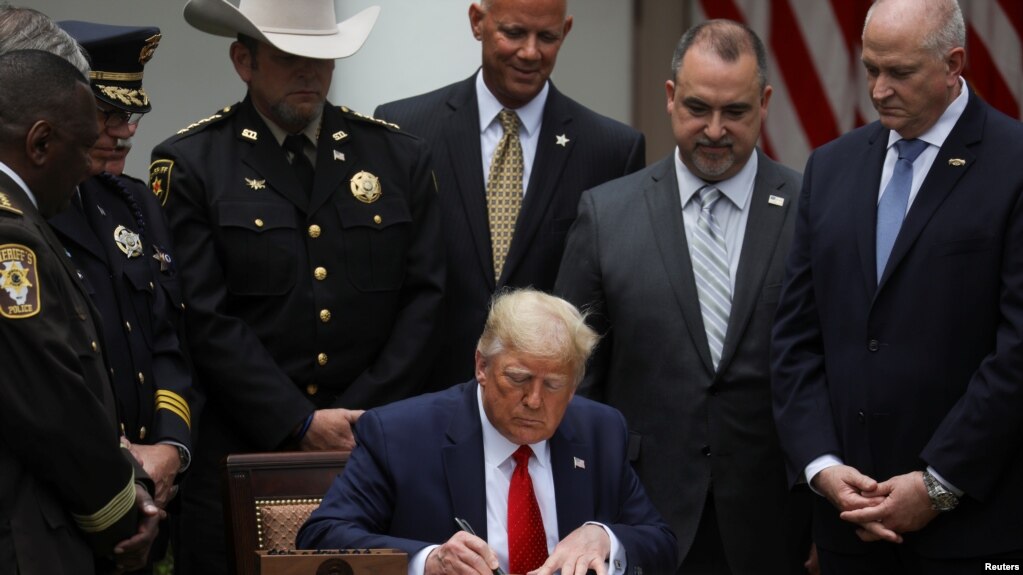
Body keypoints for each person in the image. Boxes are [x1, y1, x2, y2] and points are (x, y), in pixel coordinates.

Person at [149, 0, 444, 572]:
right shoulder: (193, 163)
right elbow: (203, 317)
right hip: (244, 449)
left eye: (323, 58)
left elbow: (427, 299)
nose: (310, 72)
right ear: (244, 61)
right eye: (289, 57)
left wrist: (363, 415)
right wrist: (298, 420)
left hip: (376, 448)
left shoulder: (396, 155)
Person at [771, 0, 1023, 571]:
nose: (879, 89)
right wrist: (822, 467)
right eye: (870, 69)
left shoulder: (1013, 165)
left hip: (973, 535)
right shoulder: (830, 168)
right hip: (846, 528)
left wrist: (938, 485)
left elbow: (1017, 354)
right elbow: (794, 340)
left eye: (900, 72)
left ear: (954, 62)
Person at [554, 19, 810, 574]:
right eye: (698, 108)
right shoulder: (606, 215)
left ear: (764, 103)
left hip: (776, 522)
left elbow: (827, 368)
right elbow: (575, 385)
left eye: (735, 112)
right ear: (670, 98)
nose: (714, 130)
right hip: (639, 516)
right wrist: (584, 516)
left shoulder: (808, 208)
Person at [297, 288, 677, 575]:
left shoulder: (601, 432)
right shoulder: (399, 434)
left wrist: (605, 538)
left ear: (575, 385)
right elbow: (321, 538)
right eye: (518, 378)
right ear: (482, 365)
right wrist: (429, 561)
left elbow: (661, 542)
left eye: (554, 385)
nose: (533, 400)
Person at [374, 0, 646, 389]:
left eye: (547, 37)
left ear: (566, 32)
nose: (530, 52)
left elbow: (612, 310)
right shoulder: (404, 130)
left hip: (546, 411)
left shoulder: (611, 151)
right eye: (514, 33)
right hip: (423, 400)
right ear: (477, 22)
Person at [0, 48, 162, 574]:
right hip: (25, 532)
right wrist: (123, 511)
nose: (88, 168)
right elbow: (48, 396)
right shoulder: (10, 238)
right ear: (41, 142)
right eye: (83, 147)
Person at [48, 21, 195, 573]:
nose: (122, 133)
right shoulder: (26, 214)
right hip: (72, 500)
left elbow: (167, 340)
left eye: (130, 115)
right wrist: (118, 461)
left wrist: (169, 448)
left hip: (158, 490)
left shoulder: (132, 202)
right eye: (106, 115)